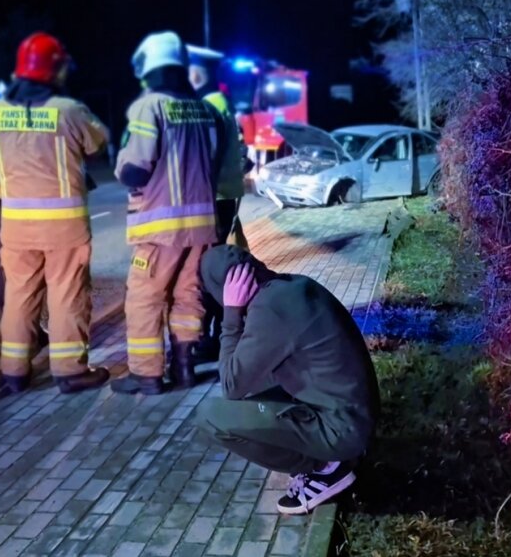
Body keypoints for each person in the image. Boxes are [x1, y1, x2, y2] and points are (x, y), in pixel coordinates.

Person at [195, 245, 380, 515]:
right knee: (254, 384)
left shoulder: (269, 309)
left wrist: (231, 314)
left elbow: (231, 385)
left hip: (343, 430)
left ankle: (324, 469)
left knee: (210, 416)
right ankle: (329, 458)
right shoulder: (291, 286)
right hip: (354, 415)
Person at [0, 32, 110, 394]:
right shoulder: (69, 111)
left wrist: (8, 193)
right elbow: (98, 147)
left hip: (17, 224)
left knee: (19, 296)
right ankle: (70, 372)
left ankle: (15, 375)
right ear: (55, 69)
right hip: (64, 226)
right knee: (67, 295)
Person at [111, 31, 220, 395]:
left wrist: (121, 167)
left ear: (151, 68)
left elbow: (135, 169)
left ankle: (147, 374)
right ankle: (185, 369)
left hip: (160, 228)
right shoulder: (203, 109)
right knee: (188, 296)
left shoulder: (149, 106)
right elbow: (215, 161)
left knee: (145, 298)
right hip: (202, 227)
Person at [186, 44, 247, 362]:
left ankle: (216, 338)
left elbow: (205, 157)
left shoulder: (209, 106)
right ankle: (221, 333)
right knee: (216, 265)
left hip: (214, 197)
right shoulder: (221, 101)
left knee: (208, 269)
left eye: (190, 70)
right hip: (226, 196)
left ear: (200, 73)